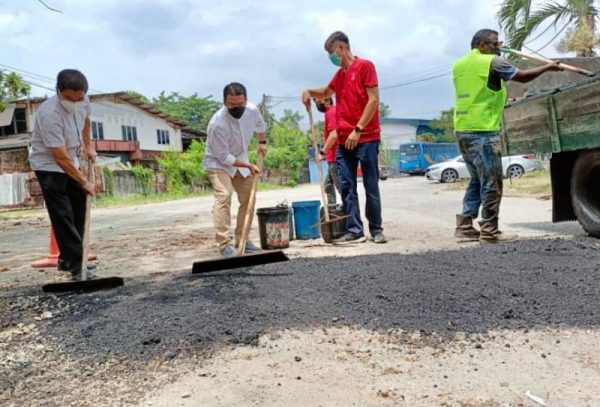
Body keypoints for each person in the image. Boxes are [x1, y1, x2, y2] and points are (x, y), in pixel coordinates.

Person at [452, 29, 562, 243]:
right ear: (481, 45)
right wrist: (549, 67)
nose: (498, 47)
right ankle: (489, 232)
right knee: (492, 182)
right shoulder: (492, 62)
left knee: (477, 180)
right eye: (494, 44)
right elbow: (521, 77)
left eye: (498, 43)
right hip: (482, 131)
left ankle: (465, 227)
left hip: (462, 129)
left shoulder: (459, 64)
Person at [302, 31, 386, 245]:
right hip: (343, 140)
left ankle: (376, 229)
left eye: (331, 53)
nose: (332, 58)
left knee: (370, 184)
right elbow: (325, 91)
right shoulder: (340, 75)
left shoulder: (365, 66)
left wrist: (357, 129)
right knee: (347, 186)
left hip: (365, 137)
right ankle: (354, 229)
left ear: (341, 48)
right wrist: (308, 92)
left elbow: (374, 100)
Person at [29, 69, 97, 280]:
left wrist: (88, 146)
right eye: (69, 98)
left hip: (71, 159)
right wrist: (84, 181)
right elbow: (58, 157)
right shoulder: (49, 113)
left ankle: (68, 259)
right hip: (48, 164)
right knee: (63, 214)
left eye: (79, 98)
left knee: (79, 208)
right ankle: (77, 266)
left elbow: (86, 120)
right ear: (58, 91)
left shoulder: (83, 102)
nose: (74, 102)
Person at [203, 83, 267, 257]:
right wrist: (248, 166)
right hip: (217, 163)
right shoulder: (217, 124)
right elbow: (224, 157)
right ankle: (224, 244)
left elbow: (261, 127)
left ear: (246, 100)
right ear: (224, 102)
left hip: (240, 158)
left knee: (249, 197)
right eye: (232, 105)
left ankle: (242, 240)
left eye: (241, 104)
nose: (237, 108)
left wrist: (262, 143)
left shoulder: (252, 110)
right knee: (224, 195)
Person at [315, 97, 341, 205]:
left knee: (341, 187)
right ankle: (332, 209)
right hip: (333, 158)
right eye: (315, 102)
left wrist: (322, 153)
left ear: (327, 100)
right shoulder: (330, 112)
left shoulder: (331, 112)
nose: (316, 103)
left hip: (336, 158)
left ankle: (350, 215)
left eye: (318, 100)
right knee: (328, 184)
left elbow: (334, 134)